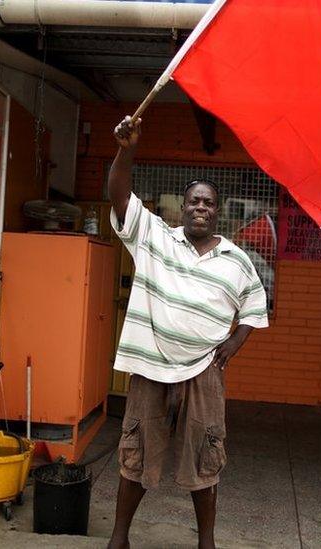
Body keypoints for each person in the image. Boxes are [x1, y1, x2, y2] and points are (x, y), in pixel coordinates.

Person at [106, 116, 268, 549]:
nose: (200, 207)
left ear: (218, 211)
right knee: (137, 451)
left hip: (204, 372)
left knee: (205, 456)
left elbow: (254, 307)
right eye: (194, 200)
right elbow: (120, 196)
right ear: (183, 206)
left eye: (209, 202)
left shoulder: (237, 260)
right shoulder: (154, 238)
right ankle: (119, 538)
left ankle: (207, 542)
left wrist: (231, 346)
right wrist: (128, 150)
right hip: (151, 365)